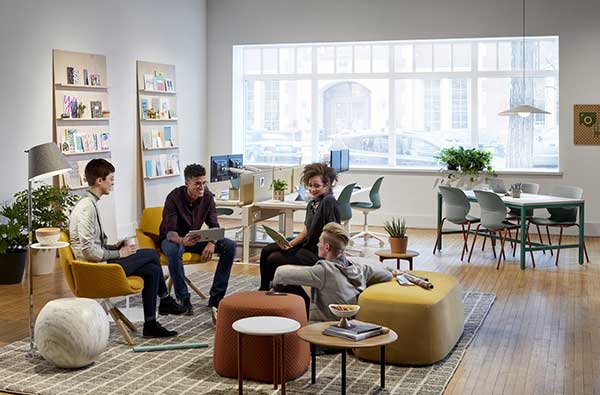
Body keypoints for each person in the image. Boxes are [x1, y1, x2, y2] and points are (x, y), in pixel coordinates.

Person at [69, 159, 185, 338]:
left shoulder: (90, 203)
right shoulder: (86, 208)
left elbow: (93, 245)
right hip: (94, 270)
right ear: (99, 181)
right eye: (111, 178)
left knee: (153, 269)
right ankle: (165, 299)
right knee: (151, 254)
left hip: (100, 263)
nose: (113, 182)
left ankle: (151, 323)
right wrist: (118, 253)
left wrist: (113, 246)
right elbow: (87, 251)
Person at [159, 163, 236, 321]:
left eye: (203, 183)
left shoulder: (207, 197)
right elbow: (170, 232)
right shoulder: (173, 197)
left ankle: (216, 298)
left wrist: (212, 242)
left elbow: (214, 225)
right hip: (172, 240)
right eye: (197, 184)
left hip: (194, 238)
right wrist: (182, 241)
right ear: (187, 183)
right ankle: (184, 298)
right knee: (175, 250)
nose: (201, 187)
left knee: (229, 245)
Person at [272, 222, 393, 320]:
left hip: (326, 327)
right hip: (350, 321)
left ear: (327, 247)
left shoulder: (324, 271)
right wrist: (395, 271)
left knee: (282, 284)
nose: (317, 244)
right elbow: (387, 275)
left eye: (320, 241)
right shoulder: (359, 267)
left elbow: (280, 274)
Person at [259, 162, 341, 291]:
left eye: (317, 186)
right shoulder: (312, 204)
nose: (312, 189)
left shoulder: (328, 202)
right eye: (310, 185)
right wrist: (289, 244)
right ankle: (265, 289)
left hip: (318, 252)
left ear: (327, 184)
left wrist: (327, 257)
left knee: (273, 259)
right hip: (306, 246)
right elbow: (305, 232)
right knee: (267, 250)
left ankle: (294, 295)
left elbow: (333, 233)